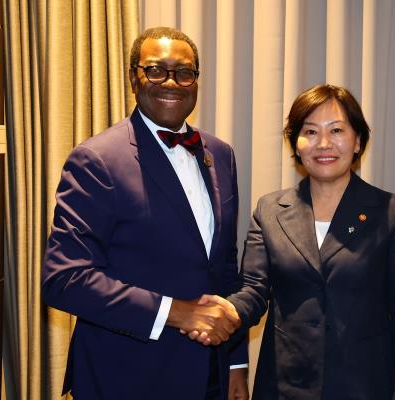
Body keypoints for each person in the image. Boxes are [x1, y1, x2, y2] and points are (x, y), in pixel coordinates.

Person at [42, 27, 248, 400]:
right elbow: (65, 279)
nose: (171, 82)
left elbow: (223, 266)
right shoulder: (97, 160)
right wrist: (175, 312)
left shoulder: (220, 154)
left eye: (184, 72)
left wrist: (235, 364)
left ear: (196, 81)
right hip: (126, 374)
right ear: (133, 78)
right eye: (156, 70)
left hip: (210, 375)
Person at [200, 84, 395, 399]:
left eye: (336, 130)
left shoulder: (390, 212)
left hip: (366, 385)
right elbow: (253, 290)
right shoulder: (270, 210)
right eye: (310, 131)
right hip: (284, 384)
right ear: (296, 143)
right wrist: (227, 311)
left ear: (357, 141)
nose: (323, 144)